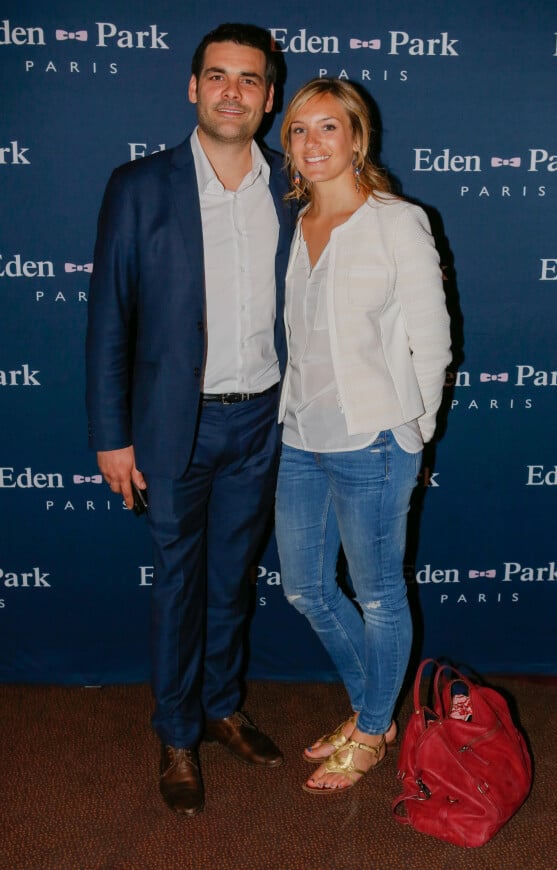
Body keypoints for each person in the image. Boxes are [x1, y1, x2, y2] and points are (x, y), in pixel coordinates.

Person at [86, 23, 294, 817]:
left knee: (232, 582)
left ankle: (221, 705)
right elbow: (109, 317)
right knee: (177, 585)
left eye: (249, 80)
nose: (233, 92)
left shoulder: (292, 184)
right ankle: (176, 732)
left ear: (269, 98)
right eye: (218, 77)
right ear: (193, 88)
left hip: (263, 424)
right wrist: (112, 432)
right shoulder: (139, 186)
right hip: (175, 425)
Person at [275, 79, 451, 794]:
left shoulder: (396, 221)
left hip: (374, 439)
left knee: (378, 596)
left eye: (327, 128)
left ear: (357, 138)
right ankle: (371, 709)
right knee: (306, 588)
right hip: (300, 435)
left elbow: (434, 340)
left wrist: (415, 430)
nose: (312, 143)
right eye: (297, 131)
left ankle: (374, 729)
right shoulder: (300, 218)